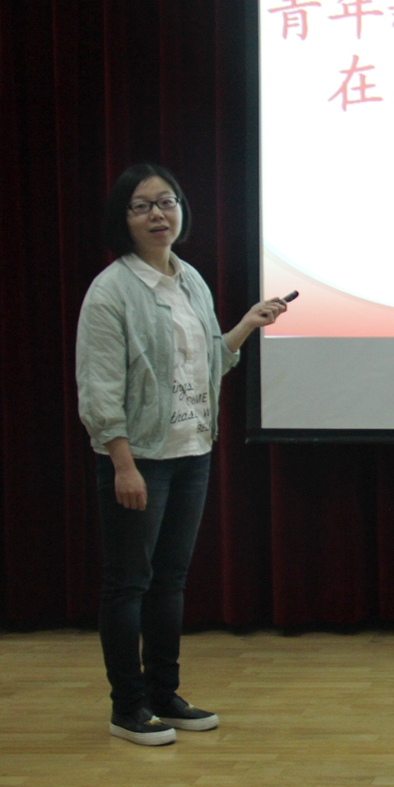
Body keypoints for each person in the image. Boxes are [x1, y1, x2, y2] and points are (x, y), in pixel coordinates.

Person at [76, 163, 287, 746]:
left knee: (170, 580)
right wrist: (122, 464)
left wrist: (246, 325)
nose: (157, 215)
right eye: (142, 206)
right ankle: (128, 708)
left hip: (192, 450)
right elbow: (99, 390)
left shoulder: (190, 279)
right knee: (129, 583)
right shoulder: (111, 291)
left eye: (166, 202)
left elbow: (208, 363)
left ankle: (164, 694)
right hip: (138, 459)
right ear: (123, 219)